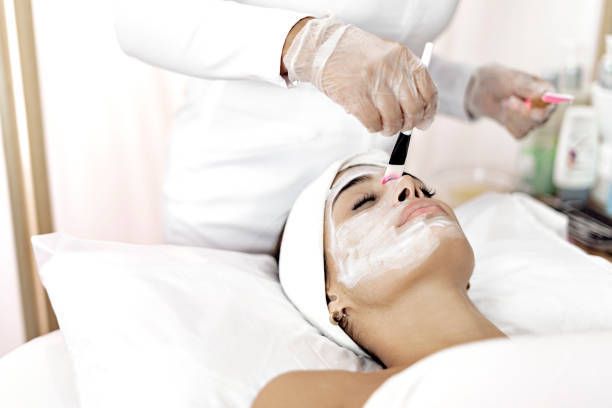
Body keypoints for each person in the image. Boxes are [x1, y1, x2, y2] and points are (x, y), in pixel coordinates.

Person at [113, 1, 555, 255]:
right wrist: (305, 44)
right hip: (236, 213)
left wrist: (469, 88)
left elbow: (384, 46)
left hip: (362, 225)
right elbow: (142, 17)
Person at [251, 151, 506, 406]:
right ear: (330, 296)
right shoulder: (308, 398)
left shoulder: (545, 356)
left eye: (425, 191)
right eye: (364, 201)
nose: (409, 185)